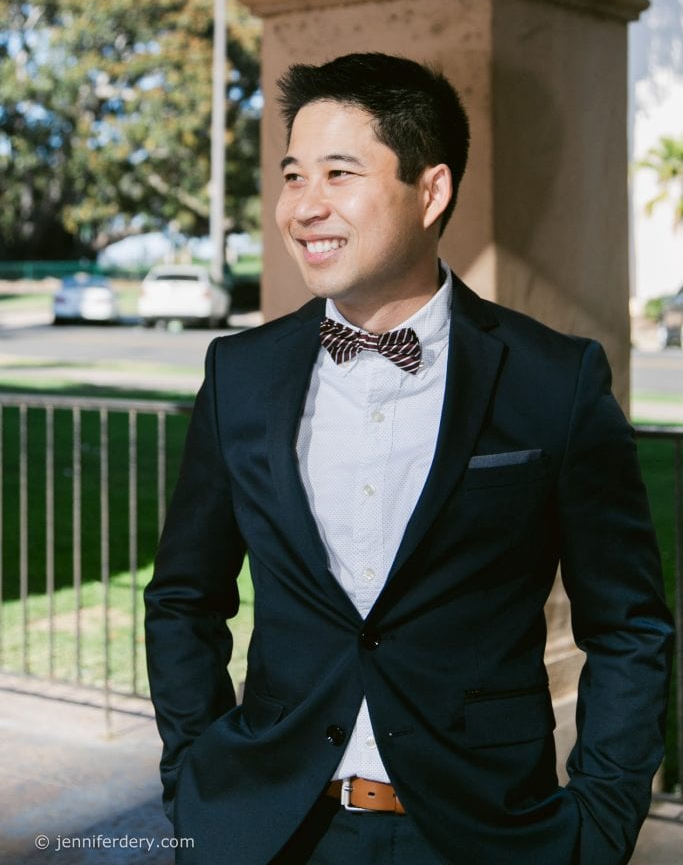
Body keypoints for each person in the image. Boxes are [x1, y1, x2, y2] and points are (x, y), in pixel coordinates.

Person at [145, 52, 673, 865]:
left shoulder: (553, 380)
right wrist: (194, 782)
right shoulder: (238, 375)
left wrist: (597, 824)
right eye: (292, 176)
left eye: (337, 173)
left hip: (481, 835)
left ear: (430, 191)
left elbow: (628, 625)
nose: (302, 207)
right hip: (269, 830)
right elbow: (184, 598)